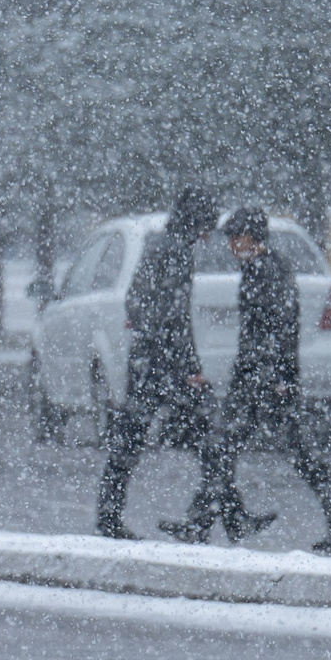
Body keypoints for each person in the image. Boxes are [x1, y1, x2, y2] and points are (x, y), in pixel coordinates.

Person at [162, 206, 331, 554]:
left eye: (234, 238)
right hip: (257, 379)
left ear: (251, 238)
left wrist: (279, 378)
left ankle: (208, 522)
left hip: (264, 381)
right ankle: (220, 520)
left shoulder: (269, 271)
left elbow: (282, 328)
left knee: (233, 448)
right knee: (236, 449)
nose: (230, 246)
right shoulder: (259, 269)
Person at [95, 184, 241, 541]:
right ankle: (218, 517)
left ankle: (110, 516)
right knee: (213, 437)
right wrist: (190, 369)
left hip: (146, 361)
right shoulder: (177, 252)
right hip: (165, 367)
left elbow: (136, 303)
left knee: (129, 443)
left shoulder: (158, 244)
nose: (210, 234)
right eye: (207, 224)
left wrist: (147, 333)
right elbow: (175, 319)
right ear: (197, 222)